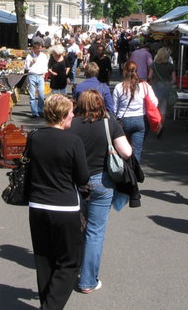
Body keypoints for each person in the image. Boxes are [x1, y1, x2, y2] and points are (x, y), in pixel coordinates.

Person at [27, 94, 89, 309]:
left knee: (44, 260)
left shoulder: (34, 137)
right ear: (63, 115)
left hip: (37, 205)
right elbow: (82, 178)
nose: (73, 114)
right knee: (69, 263)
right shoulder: (73, 141)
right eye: (71, 111)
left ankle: (48, 302)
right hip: (64, 207)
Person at [68, 90, 132, 294]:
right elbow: (126, 152)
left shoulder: (71, 124)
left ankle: (75, 265)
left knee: (80, 226)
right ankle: (87, 281)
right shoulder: (109, 124)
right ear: (100, 104)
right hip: (101, 181)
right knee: (95, 231)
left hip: (76, 181)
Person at [113, 61, 158, 162]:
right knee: (136, 151)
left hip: (123, 121)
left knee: (123, 150)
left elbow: (114, 108)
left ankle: (124, 172)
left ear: (124, 71)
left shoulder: (119, 87)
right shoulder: (144, 86)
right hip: (140, 120)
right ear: (137, 71)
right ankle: (134, 174)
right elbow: (154, 102)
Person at [151, 47, 176, 135]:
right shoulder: (170, 66)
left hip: (154, 89)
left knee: (155, 108)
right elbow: (174, 79)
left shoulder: (153, 65)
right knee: (163, 110)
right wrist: (168, 84)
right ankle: (161, 126)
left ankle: (156, 125)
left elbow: (149, 76)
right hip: (165, 90)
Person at [25, 38, 49, 118]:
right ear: (33, 48)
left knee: (41, 95)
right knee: (32, 95)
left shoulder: (43, 56)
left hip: (40, 75)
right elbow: (27, 67)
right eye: (37, 48)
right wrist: (31, 62)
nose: (39, 50)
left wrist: (44, 73)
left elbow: (45, 65)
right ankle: (34, 112)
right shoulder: (29, 56)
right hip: (32, 74)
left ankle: (40, 110)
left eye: (40, 48)